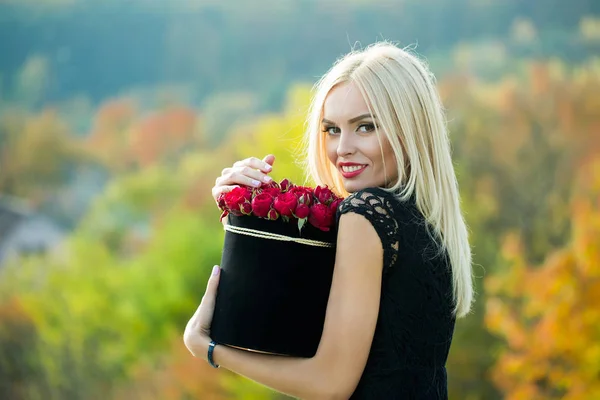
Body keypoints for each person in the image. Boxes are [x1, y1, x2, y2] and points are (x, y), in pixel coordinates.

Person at [183, 41, 473, 399]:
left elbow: (329, 383)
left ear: (408, 130)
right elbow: (294, 312)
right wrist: (240, 211)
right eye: (332, 129)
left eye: (365, 127)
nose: (342, 148)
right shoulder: (424, 221)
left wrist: (210, 349)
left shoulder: (367, 214)